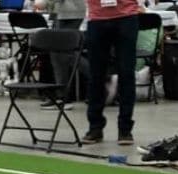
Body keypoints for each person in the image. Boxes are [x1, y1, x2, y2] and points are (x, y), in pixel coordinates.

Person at [81, 0, 139, 145]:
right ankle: (95, 127)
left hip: (126, 18)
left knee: (126, 73)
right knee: (96, 75)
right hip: (97, 19)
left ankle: (125, 129)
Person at [40, 0, 85, 110]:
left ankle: (102, 76)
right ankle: (62, 96)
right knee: (57, 54)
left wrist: (45, 2)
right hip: (61, 12)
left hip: (70, 13)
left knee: (62, 53)